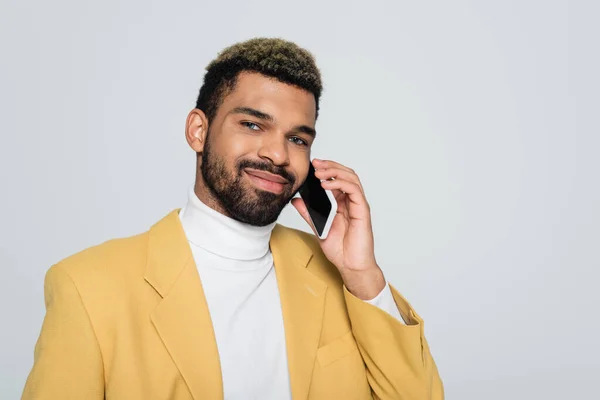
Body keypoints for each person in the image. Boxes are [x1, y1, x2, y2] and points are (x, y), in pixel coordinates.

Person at [22, 38, 443, 400]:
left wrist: (362, 275)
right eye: (252, 124)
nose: (278, 154)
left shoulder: (339, 275)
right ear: (198, 132)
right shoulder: (88, 286)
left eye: (297, 138)